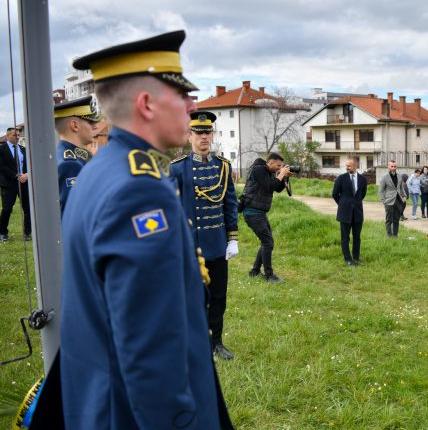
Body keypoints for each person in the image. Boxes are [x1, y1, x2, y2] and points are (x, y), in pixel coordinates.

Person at [58, 30, 232, 429]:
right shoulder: (138, 191)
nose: (192, 107)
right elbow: (150, 349)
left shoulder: (101, 169)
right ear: (148, 103)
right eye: (182, 95)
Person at [171, 111, 239, 360]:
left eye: (207, 132)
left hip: (217, 245)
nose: (203, 137)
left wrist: (232, 238)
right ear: (189, 136)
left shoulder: (223, 167)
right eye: (198, 132)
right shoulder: (177, 170)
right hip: (190, 247)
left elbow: (230, 204)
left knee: (219, 296)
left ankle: (216, 342)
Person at [242, 153, 290, 282]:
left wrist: (285, 177)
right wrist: (280, 174)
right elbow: (269, 186)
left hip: (259, 213)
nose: (279, 168)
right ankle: (269, 275)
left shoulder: (268, 172)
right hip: (252, 212)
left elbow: (277, 188)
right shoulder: (258, 169)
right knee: (268, 242)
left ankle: (255, 271)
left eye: (281, 166)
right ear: (271, 162)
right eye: (278, 165)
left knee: (266, 242)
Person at [54, 96, 100, 213]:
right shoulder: (70, 164)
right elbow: (75, 213)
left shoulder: (71, 155)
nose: (95, 126)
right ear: (75, 125)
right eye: (90, 122)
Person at [332, 158, 367, 266]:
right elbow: (335, 194)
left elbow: (363, 194)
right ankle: (348, 259)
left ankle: (356, 257)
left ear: (356, 166)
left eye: (349, 166)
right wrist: (343, 204)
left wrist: (355, 204)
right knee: (345, 237)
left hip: (358, 213)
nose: (346, 168)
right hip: (344, 213)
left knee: (357, 237)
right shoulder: (341, 178)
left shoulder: (363, 179)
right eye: (346, 165)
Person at [0, 127, 31, 241]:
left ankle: (27, 233)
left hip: (24, 183)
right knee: (7, 209)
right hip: (9, 184)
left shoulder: (23, 149)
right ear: (7, 136)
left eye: (18, 135)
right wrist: (17, 176)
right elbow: (2, 166)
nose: (17, 137)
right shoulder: (2, 149)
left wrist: (26, 175)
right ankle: (2, 233)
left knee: (28, 209)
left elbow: (29, 164)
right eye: (14, 135)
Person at [378, 160, 407, 237]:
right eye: (392, 166)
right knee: (389, 220)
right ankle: (389, 235)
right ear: (388, 167)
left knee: (396, 219)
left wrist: (404, 196)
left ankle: (395, 235)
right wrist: (383, 200)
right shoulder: (384, 177)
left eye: (395, 166)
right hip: (389, 201)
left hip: (398, 201)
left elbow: (401, 188)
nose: (393, 168)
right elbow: (381, 190)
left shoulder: (399, 176)